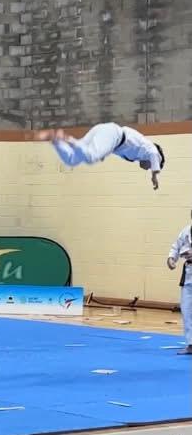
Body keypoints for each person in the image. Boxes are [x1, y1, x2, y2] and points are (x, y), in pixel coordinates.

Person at [35, 124, 164, 190]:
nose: (148, 168)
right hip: (113, 133)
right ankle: (65, 138)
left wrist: (104, 152)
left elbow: (116, 148)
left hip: (107, 133)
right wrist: (154, 175)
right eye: (151, 166)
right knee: (90, 157)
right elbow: (155, 154)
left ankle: (55, 139)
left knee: (72, 160)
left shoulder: (137, 153)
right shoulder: (149, 147)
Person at [167, 210, 192, 355]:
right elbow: (176, 246)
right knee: (187, 310)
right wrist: (171, 259)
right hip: (189, 273)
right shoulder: (186, 231)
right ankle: (191, 344)